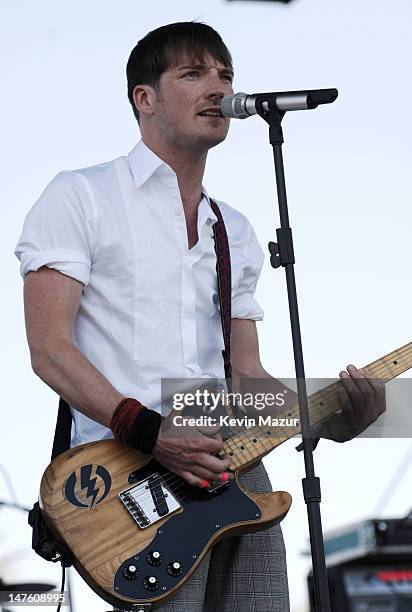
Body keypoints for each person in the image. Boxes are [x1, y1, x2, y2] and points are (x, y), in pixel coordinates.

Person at [15, 21, 386, 612]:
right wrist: (152, 432)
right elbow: (50, 350)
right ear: (145, 98)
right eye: (193, 73)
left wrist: (330, 420)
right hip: (132, 472)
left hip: (237, 460)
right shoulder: (81, 195)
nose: (218, 87)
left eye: (226, 75)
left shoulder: (231, 229)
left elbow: (248, 379)